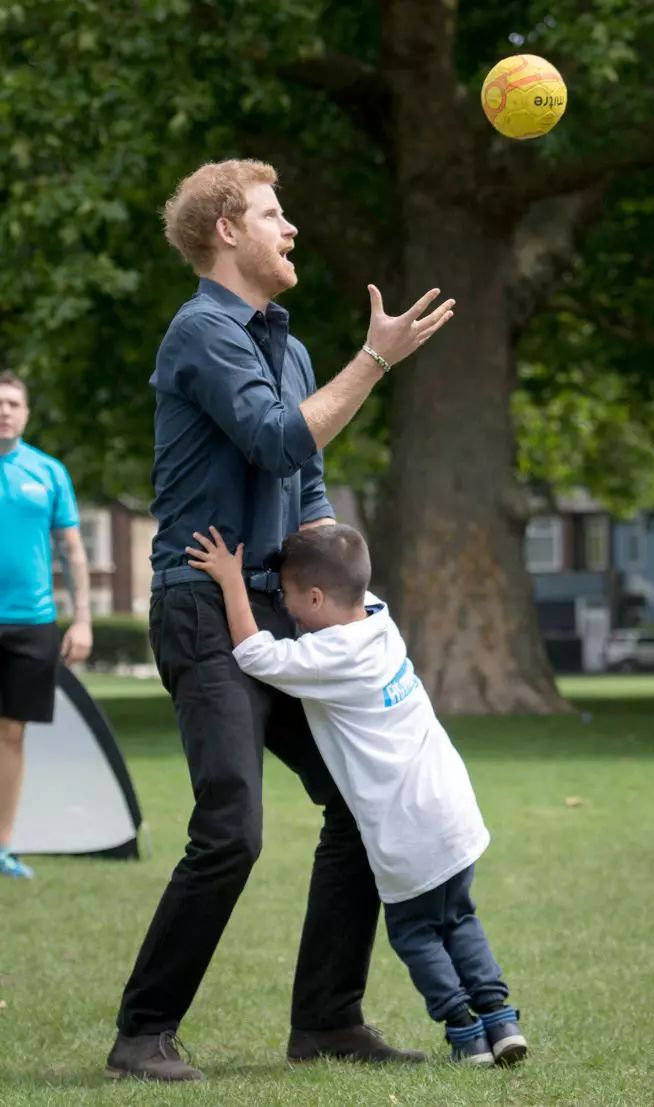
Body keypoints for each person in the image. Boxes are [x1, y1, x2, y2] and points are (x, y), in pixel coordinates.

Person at [106, 158, 455, 1083]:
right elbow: (276, 438)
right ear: (227, 231)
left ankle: (327, 1020)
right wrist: (377, 356)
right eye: (272, 213)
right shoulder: (203, 332)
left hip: (284, 611)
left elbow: (304, 487)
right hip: (201, 605)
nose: (290, 226)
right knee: (233, 827)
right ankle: (142, 1032)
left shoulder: (289, 347)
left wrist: (347, 609)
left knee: (357, 802)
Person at [186, 523, 527, 1067]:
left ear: (316, 598)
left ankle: (464, 1031)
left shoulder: (327, 657)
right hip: (453, 810)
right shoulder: (380, 621)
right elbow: (347, 574)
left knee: (416, 933)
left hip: (406, 827)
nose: (290, 611)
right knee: (460, 919)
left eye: (293, 599)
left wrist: (231, 580)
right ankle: (502, 1021)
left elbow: (254, 654)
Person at [0, 370, 93, 880]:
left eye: (13, 403)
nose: (5, 410)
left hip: (33, 622)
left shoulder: (48, 472)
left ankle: (3, 847)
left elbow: (74, 553)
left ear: (26, 413)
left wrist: (82, 621)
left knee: (12, 735)